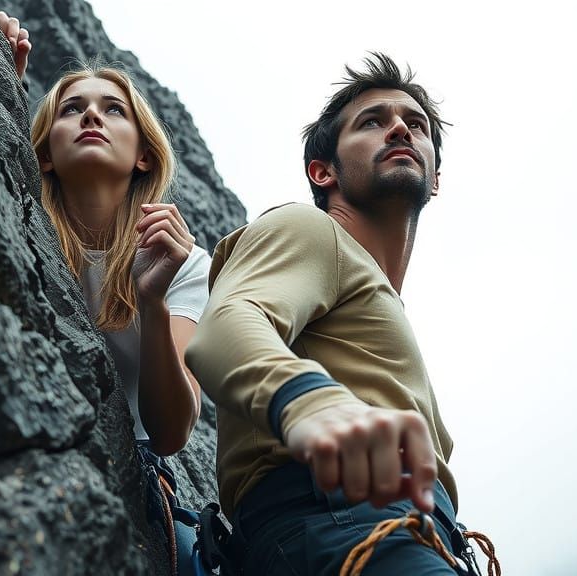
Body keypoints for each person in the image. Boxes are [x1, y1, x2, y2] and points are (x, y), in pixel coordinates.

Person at [185, 53, 498, 575]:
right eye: (372, 121)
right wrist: (309, 401)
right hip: (343, 524)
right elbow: (224, 325)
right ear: (322, 171)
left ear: (436, 177)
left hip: (406, 539)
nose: (399, 127)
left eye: (414, 123)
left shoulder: (374, 298)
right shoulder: (310, 230)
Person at [0, 10, 212, 575]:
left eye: (114, 109)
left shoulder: (181, 261)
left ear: (142, 153)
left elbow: (171, 431)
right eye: (71, 108)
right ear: (44, 153)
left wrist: (154, 302)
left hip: (131, 467)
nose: (91, 113)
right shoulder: (23, 208)